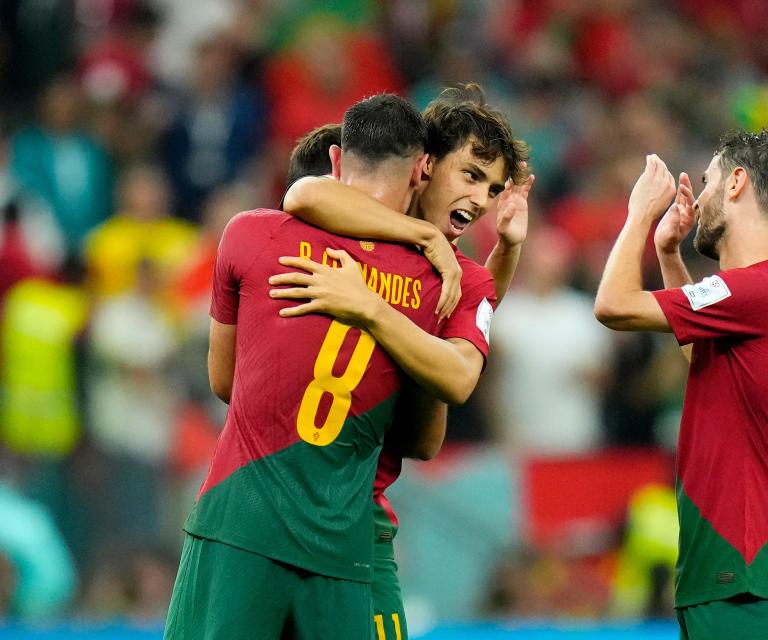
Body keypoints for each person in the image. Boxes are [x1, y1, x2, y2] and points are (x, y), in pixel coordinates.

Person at [163, 94, 446, 640]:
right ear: (421, 170)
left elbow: (223, 382)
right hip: (342, 539)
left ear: (337, 162)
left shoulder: (251, 234)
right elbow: (426, 438)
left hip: (238, 518)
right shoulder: (432, 280)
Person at [268, 84, 531, 639]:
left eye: (494, 188)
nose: (483, 199)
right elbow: (304, 195)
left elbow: (467, 322)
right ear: (424, 166)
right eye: (471, 175)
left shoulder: (453, 270)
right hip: (289, 493)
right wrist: (422, 236)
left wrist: (504, 251)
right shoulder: (361, 223)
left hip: (363, 509)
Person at [594, 130, 768, 640]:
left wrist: (637, 213)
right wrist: (668, 253)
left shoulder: (762, 289)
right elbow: (702, 355)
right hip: (731, 565)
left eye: (706, 181)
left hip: (743, 559)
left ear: (737, 182)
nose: (696, 199)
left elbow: (612, 304)